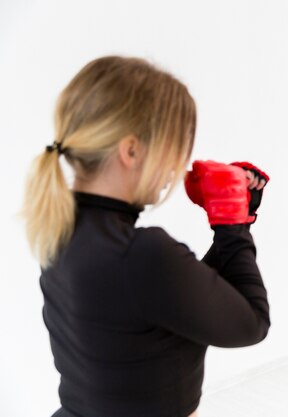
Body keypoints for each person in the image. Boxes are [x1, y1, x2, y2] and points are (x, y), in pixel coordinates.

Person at [22, 56, 271, 417]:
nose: (175, 166)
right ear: (132, 150)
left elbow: (178, 298)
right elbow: (251, 323)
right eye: (173, 147)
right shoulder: (142, 254)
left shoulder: (58, 228)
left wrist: (231, 228)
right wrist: (233, 225)